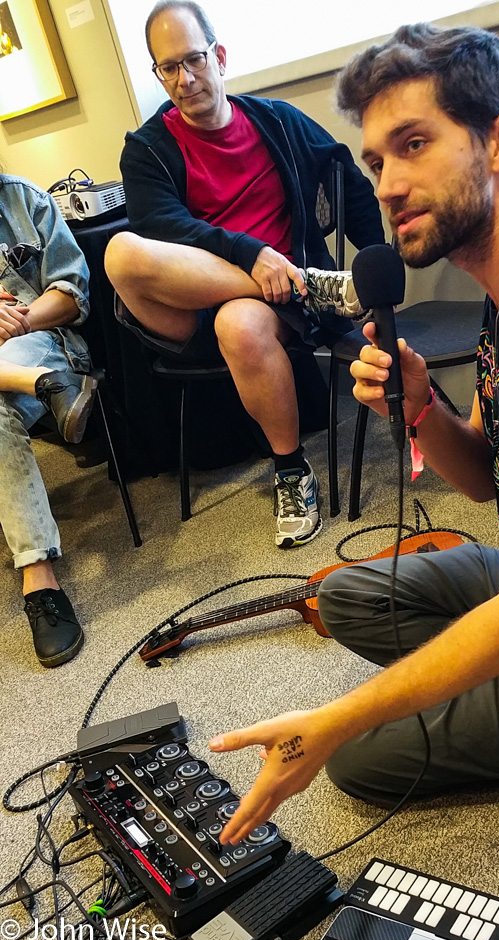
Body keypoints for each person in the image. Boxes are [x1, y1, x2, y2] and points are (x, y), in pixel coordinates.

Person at [207, 23, 499, 845]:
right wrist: (421, 404)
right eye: (377, 160)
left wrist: (335, 720)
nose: (385, 184)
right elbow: (491, 478)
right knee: (342, 595)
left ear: (498, 139)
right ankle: (487, 680)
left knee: (355, 757)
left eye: (413, 144)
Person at [104, 0, 385, 549]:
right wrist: (252, 255)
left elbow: (346, 176)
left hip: (269, 313)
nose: (185, 80)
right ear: (156, 73)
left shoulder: (278, 120)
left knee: (240, 323)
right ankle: (313, 286)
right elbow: (162, 226)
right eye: (168, 68)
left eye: (195, 60)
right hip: (192, 304)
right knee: (120, 252)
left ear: (220, 56)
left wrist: (376, 266)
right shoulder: (146, 150)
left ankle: (290, 471)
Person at [0, 172, 97, 667]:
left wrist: (20, 319)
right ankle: (42, 386)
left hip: (44, 343)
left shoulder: (24, 200)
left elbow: (73, 293)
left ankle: (38, 577)